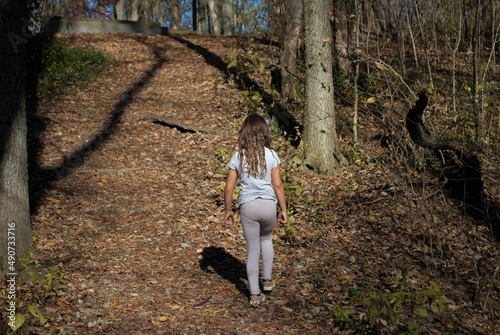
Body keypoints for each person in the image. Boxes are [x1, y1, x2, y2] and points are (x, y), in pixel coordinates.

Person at [224, 114, 287, 307]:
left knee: (252, 249)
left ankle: (254, 293)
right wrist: (283, 209)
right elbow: (278, 186)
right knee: (266, 240)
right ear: (264, 133)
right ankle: (267, 280)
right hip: (268, 205)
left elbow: (228, 188)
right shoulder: (272, 155)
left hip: (248, 207)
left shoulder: (238, 157)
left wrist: (228, 210)